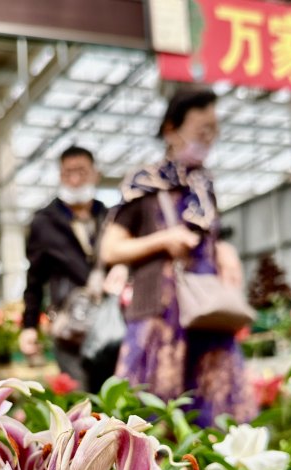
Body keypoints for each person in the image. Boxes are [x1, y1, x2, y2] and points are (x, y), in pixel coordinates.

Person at [99, 88, 256, 427]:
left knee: (212, 410)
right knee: (152, 416)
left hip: (203, 312)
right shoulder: (143, 184)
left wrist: (225, 251)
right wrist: (163, 239)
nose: (209, 138)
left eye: (214, 130)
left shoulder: (204, 185)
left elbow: (211, 236)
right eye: (202, 129)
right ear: (172, 129)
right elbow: (111, 250)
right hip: (158, 315)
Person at [20, 146, 110, 390]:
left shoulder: (110, 217)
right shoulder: (44, 222)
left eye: (82, 171)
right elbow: (34, 279)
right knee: (81, 398)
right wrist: (29, 326)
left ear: (95, 174)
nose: (75, 179)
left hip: (110, 326)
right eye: (68, 172)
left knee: (115, 394)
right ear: (60, 176)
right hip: (69, 330)